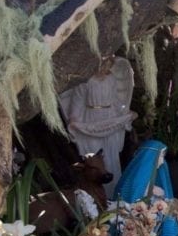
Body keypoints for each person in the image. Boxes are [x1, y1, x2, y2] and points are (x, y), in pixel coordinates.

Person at [57, 55, 136, 196]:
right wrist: (74, 120)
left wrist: (125, 112)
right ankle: (98, 195)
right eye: (101, 64)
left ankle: (115, 193)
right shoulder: (85, 82)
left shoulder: (111, 79)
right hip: (91, 119)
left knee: (111, 156)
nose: (104, 67)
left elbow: (116, 100)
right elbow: (78, 102)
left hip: (110, 118)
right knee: (96, 158)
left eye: (107, 64)